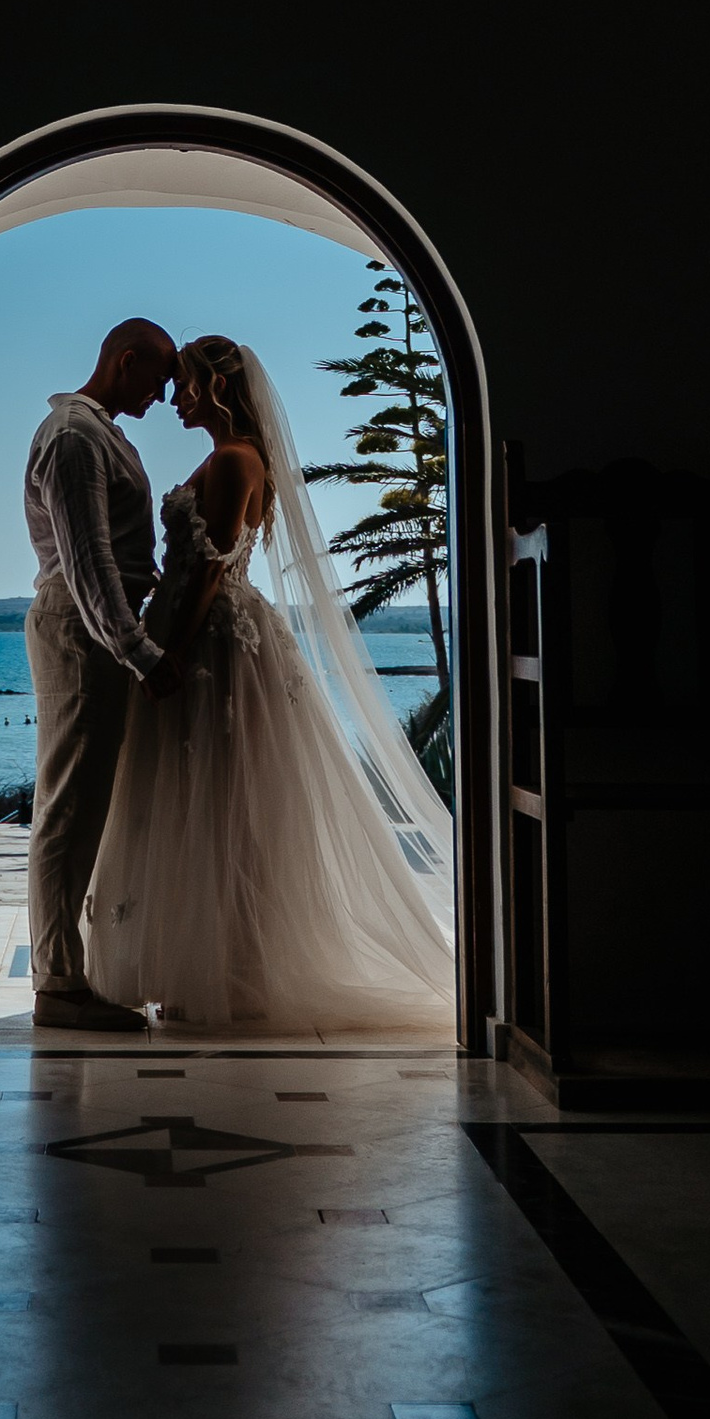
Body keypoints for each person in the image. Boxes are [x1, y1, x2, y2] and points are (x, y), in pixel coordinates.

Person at [84, 333, 455, 1034]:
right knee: (202, 802)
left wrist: (171, 652)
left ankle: (231, 970)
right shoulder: (228, 457)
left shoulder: (231, 460)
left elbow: (213, 568)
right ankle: (204, 964)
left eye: (186, 383)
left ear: (217, 387)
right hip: (206, 632)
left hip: (215, 646)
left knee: (221, 803)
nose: (174, 396)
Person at [22, 318, 182, 1034]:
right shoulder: (75, 437)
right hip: (83, 628)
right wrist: (138, 651)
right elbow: (89, 563)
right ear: (124, 362)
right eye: (158, 376)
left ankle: (68, 973)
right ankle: (58, 984)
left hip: (92, 626)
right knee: (69, 803)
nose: (164, 393)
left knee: (83, 802)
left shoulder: (99, 432)